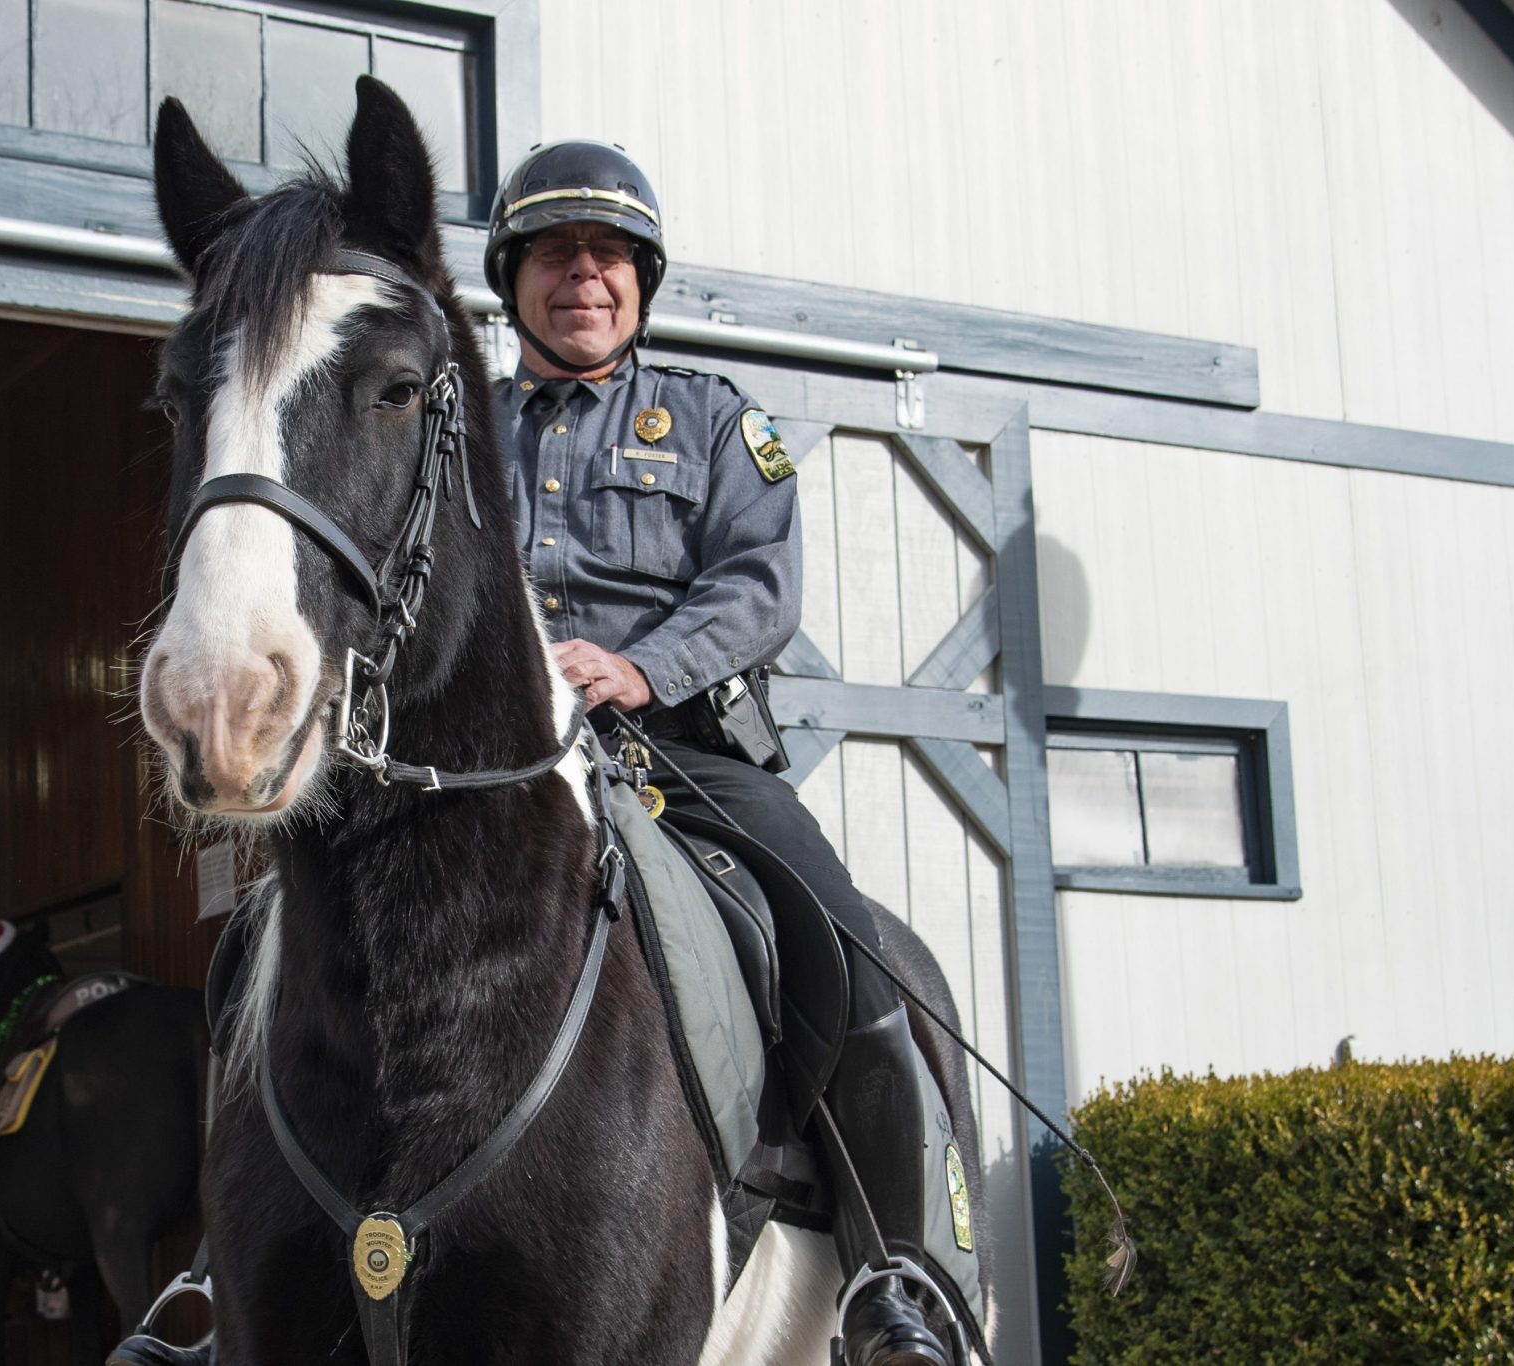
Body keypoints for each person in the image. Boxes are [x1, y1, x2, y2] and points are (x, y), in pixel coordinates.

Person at [486, 141, 962, 1366]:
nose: (580, 277)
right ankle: (224, 1274)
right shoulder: (454, 429)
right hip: (488, 763)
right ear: (512, 279)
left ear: (638, 281)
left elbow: (758, 587)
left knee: (840, 940)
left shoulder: (713, 421)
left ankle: (888, 1272)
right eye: (552, 254)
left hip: (677, 750)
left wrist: (638, 666)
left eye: (604, 256)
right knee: (280, 934)